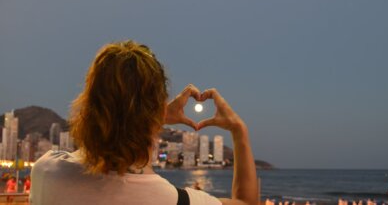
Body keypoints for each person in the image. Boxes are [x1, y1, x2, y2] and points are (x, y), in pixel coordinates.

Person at [30, 41, 257, 205]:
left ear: (89, 104)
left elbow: (97, 148)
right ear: (157, 111)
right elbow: (245, 202)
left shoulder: (47, 171)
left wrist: (151, 116)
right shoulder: (176, 201)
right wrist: (239, 130)